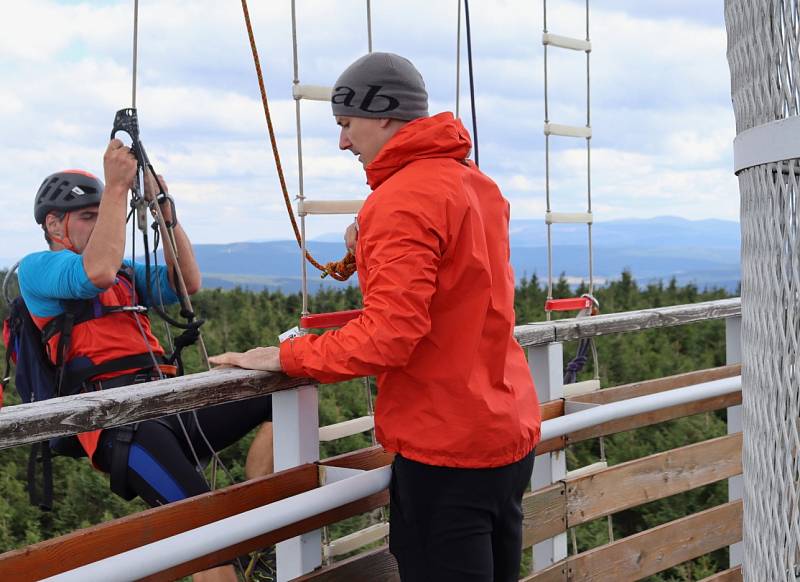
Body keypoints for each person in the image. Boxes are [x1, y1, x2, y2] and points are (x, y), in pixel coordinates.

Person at [210, 52, 541, 581]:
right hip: (504, 432)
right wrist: (371, 244)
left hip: (446, 446)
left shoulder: (401, 200)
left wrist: (287, 356)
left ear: (383, 113)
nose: (343, 142)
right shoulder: (475, 185)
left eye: (346, 124)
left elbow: (389, 336)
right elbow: (457, 291)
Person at [19, 139, 274, 582]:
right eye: (88, 216)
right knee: (206, 539)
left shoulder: (125, 275)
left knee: (274, 393)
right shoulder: (39, 268)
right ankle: (236, 535)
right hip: (121, 427)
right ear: (55, 225)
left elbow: (186, 281)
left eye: (101, 214)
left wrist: (163, 210)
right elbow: (93, 272)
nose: (99, 223)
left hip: (166, 403)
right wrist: (116, 189)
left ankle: (260, 511)